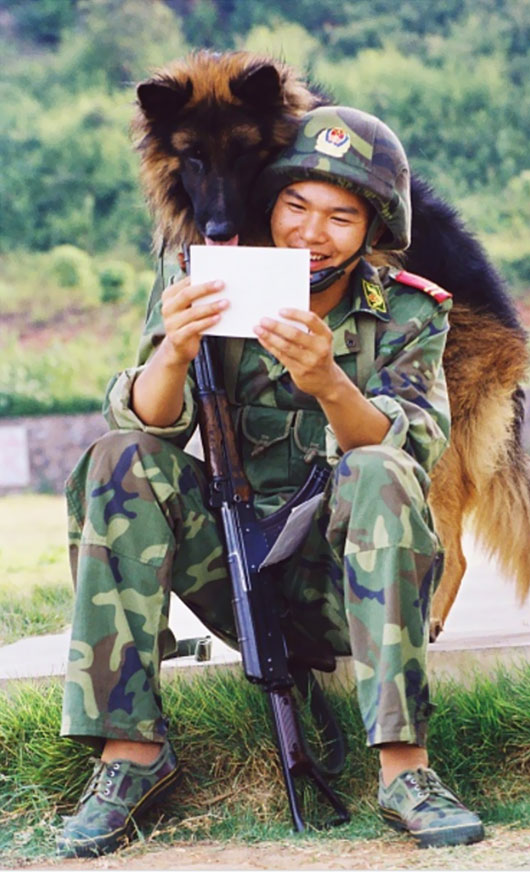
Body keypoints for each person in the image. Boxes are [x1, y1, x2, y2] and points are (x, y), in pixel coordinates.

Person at [57, 105, 484, 857]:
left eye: (341, 217)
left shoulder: (407, 312)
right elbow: (149, 424)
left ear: (373, 228)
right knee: (117, 458)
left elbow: (410, 453)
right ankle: (131, 754)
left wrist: (327, 381)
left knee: (380, 467)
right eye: (295, 206)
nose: (311, 232)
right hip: (233, 565)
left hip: (353, 587)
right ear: (269, 204)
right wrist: (175, 349)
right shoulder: (210, 283)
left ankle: (405, 770)